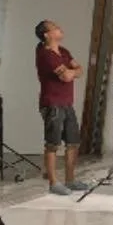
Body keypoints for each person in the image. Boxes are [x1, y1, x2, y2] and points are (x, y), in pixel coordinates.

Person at [35, 20, 87, 196]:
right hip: (52, 104)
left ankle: (70, 180)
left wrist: (72, 72)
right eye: (55, 28)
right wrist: (71, 72)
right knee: (53, 143)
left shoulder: (64, 51)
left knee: (73, 142)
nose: (60, 29)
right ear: (46, 35)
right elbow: (65, 76)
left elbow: (79, 70)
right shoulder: (45, 55)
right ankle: (53, 182)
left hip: (67, 103)